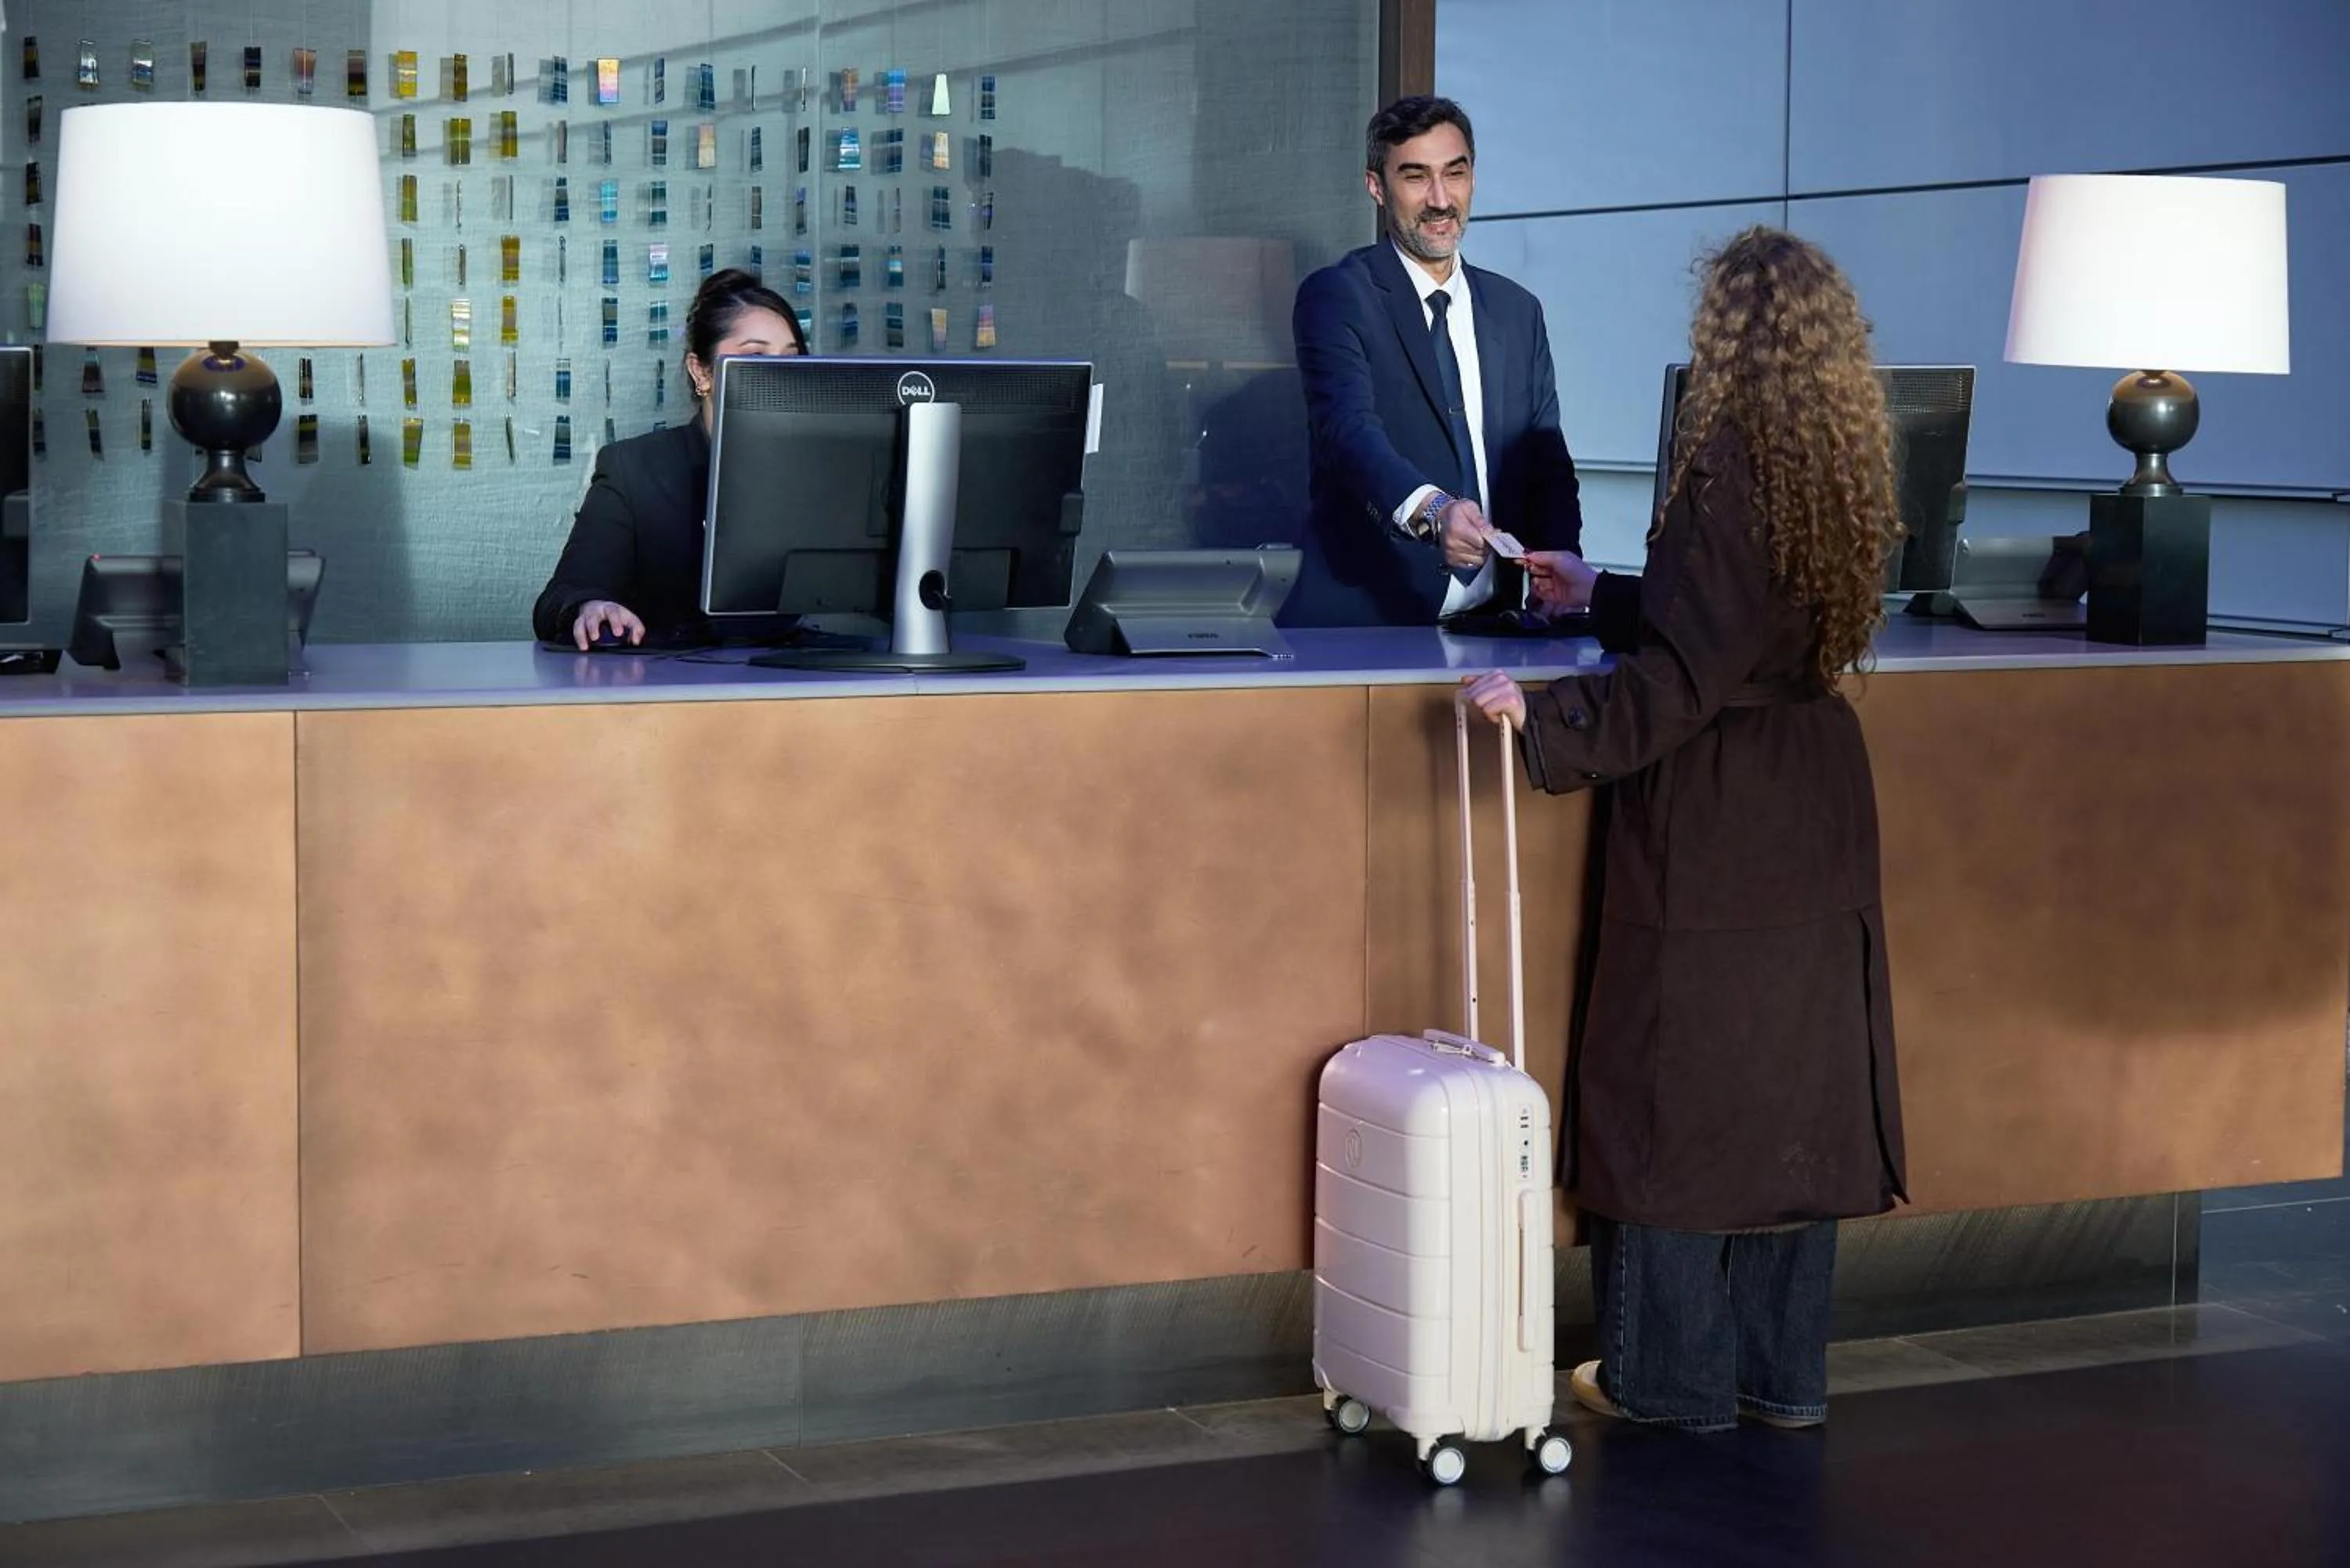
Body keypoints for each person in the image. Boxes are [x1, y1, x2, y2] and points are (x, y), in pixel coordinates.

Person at [1461, 226, 1909, 1433]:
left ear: (1727, 335)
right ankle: (1780, 1375)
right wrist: (1599, 591)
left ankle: (1668, 1378)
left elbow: (1684, 681)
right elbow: (1739, 625)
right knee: (1789, 1096)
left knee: (1676, 1088)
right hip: (1813, 798)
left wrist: (1542, 716)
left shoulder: (1722, 464)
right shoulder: (1835, 457)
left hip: (1719, 812)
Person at [1283, 95, 1582, 628]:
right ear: (1377, 187)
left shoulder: (1517, 311)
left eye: (1455, 174)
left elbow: (1547, 463)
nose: (1441, 200)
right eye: (1416, 177)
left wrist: (1561, 573)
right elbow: (1348, 432)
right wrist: (1435, 512)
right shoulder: (1337, 296)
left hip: (1493, 627)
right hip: (1367, 626)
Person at [532, 269, 808, 649]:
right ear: (701, 371)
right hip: (673, 680)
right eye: (756, 355)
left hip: (806, 676)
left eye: (790, 358)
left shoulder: (819, 470)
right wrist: (592, 607)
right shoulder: (634, 469)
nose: (777, 373)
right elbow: (562, 596)